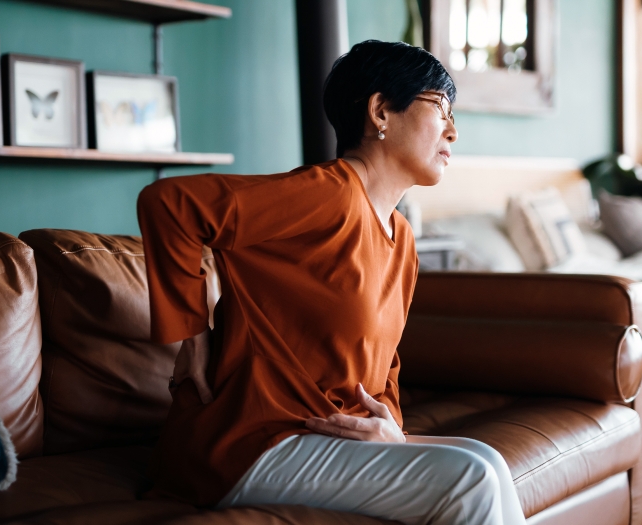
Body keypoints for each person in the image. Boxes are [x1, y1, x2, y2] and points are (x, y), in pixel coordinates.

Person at [137, 40, 526, 525]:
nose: (453, 130)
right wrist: (191, 335)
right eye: (440, 107)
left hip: (324, 438)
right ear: (381, 111)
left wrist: (391, 429)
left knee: (487, 460)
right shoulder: (329, 194)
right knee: (470, 478)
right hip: (250, 441)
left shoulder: (401, 239)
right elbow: (169, 204)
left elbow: (383, 368)